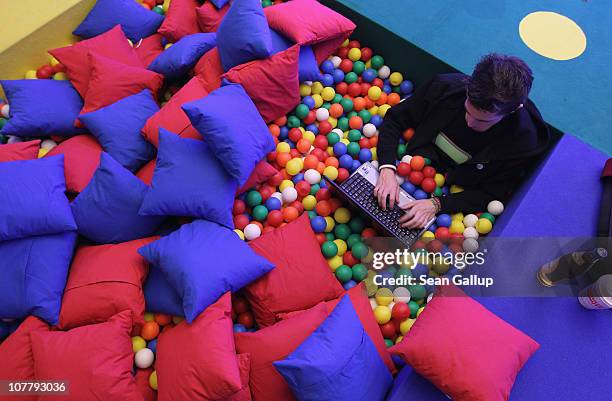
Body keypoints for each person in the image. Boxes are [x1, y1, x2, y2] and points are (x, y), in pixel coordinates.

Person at [374, 53, 550, 229]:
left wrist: (438, 204)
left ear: (513, 111)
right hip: (419, 164)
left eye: (483, 120)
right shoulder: (444, 88)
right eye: (468, 109)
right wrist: (387, 169)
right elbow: (395, 119)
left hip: (457, 187)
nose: (470, 122)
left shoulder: (524, 142)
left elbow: (492, 192)